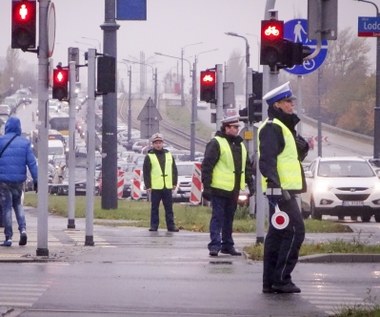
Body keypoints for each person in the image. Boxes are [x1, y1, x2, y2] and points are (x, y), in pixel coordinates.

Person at [258, 82, 309, 294]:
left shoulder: (283, 127)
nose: (292, 105)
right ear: (278, 105)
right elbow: (267, 160)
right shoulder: (272, 127)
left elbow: (290, 157)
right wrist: (276, 187)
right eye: (288, 102)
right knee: (296, 231)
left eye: (292, 101)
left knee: (277, 235)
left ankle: (270, 282)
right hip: (280, 191)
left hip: (283, 190)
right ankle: (281, 279)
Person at [201, 115, 254, 257]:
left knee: (229, 218)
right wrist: (206, 187)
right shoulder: (216, 143)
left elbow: (246, 167)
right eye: (235, 127)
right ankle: (214, 245)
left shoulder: (240, 145)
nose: (237, 129)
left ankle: (227, 245)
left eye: (237, 127)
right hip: (219, 188)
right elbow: (207, 166)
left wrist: (251, 184)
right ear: (226, 128)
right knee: (218, 217)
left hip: (234, 189)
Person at [0, 117, 38, 247]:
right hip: (18, 181)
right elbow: (32, 163)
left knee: (6, 208)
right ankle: (23, 230)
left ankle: (8, 237)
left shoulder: (0, 142)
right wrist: (36, 180)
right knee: (18, 205)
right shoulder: (25, 143)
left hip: (3, 181)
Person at [143, 132, 179, 232]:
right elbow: (146, 172)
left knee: (169, 208)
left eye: (160, 142)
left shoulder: (168, 154)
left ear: (163, 143)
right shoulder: (149, 156)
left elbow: (173, 169)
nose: (158, 145)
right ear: (153, 144)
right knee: (155, 208)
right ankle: (154, 225)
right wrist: (148, 185)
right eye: (156, 143)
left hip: (167, 186)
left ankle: (171, 226)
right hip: (155, 187)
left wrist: (174, 182)